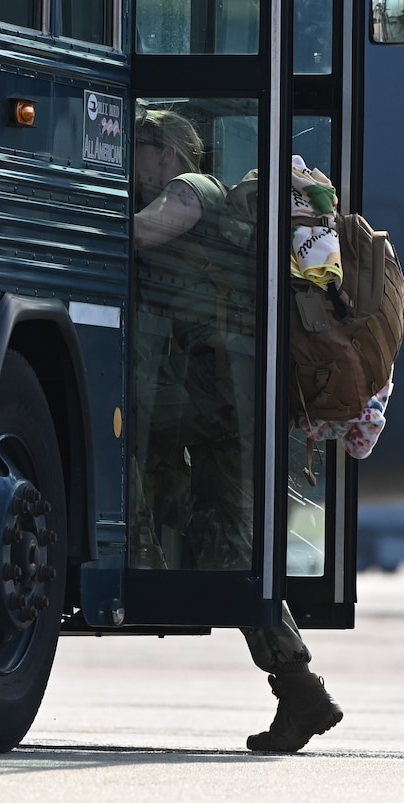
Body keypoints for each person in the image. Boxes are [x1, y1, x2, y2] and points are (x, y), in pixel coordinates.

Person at [129, 107, 344, 754]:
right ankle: (297, 686)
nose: (131, 161)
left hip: (214, 393)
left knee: (227, 539)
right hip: (200, 394)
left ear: (169, 154)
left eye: (138, 147)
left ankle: (300, 686)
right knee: (213, 533)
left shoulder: (190, 190)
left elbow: (140, 234)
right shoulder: (195, 191)